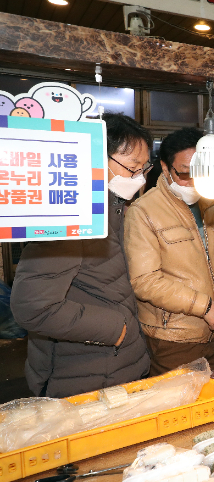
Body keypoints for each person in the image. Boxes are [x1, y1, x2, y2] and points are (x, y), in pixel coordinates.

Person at [10, 113, 151, 397]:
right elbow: (33, 307)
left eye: (143, 169)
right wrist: (117, 329)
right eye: (132, 167)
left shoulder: (117, 209)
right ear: (94, 157)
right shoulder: (71, 215)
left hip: (116, 366)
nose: (139, 178)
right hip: (79, 375)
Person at [124, 127, 214, 375]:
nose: (194, 183)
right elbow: (145, 281)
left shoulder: (212, 200)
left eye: (201, 174)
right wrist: (205, 307)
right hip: (173, 336)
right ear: (166, 168)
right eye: (185, 174)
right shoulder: (143, 211)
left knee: (213, 403)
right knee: (178, 408)